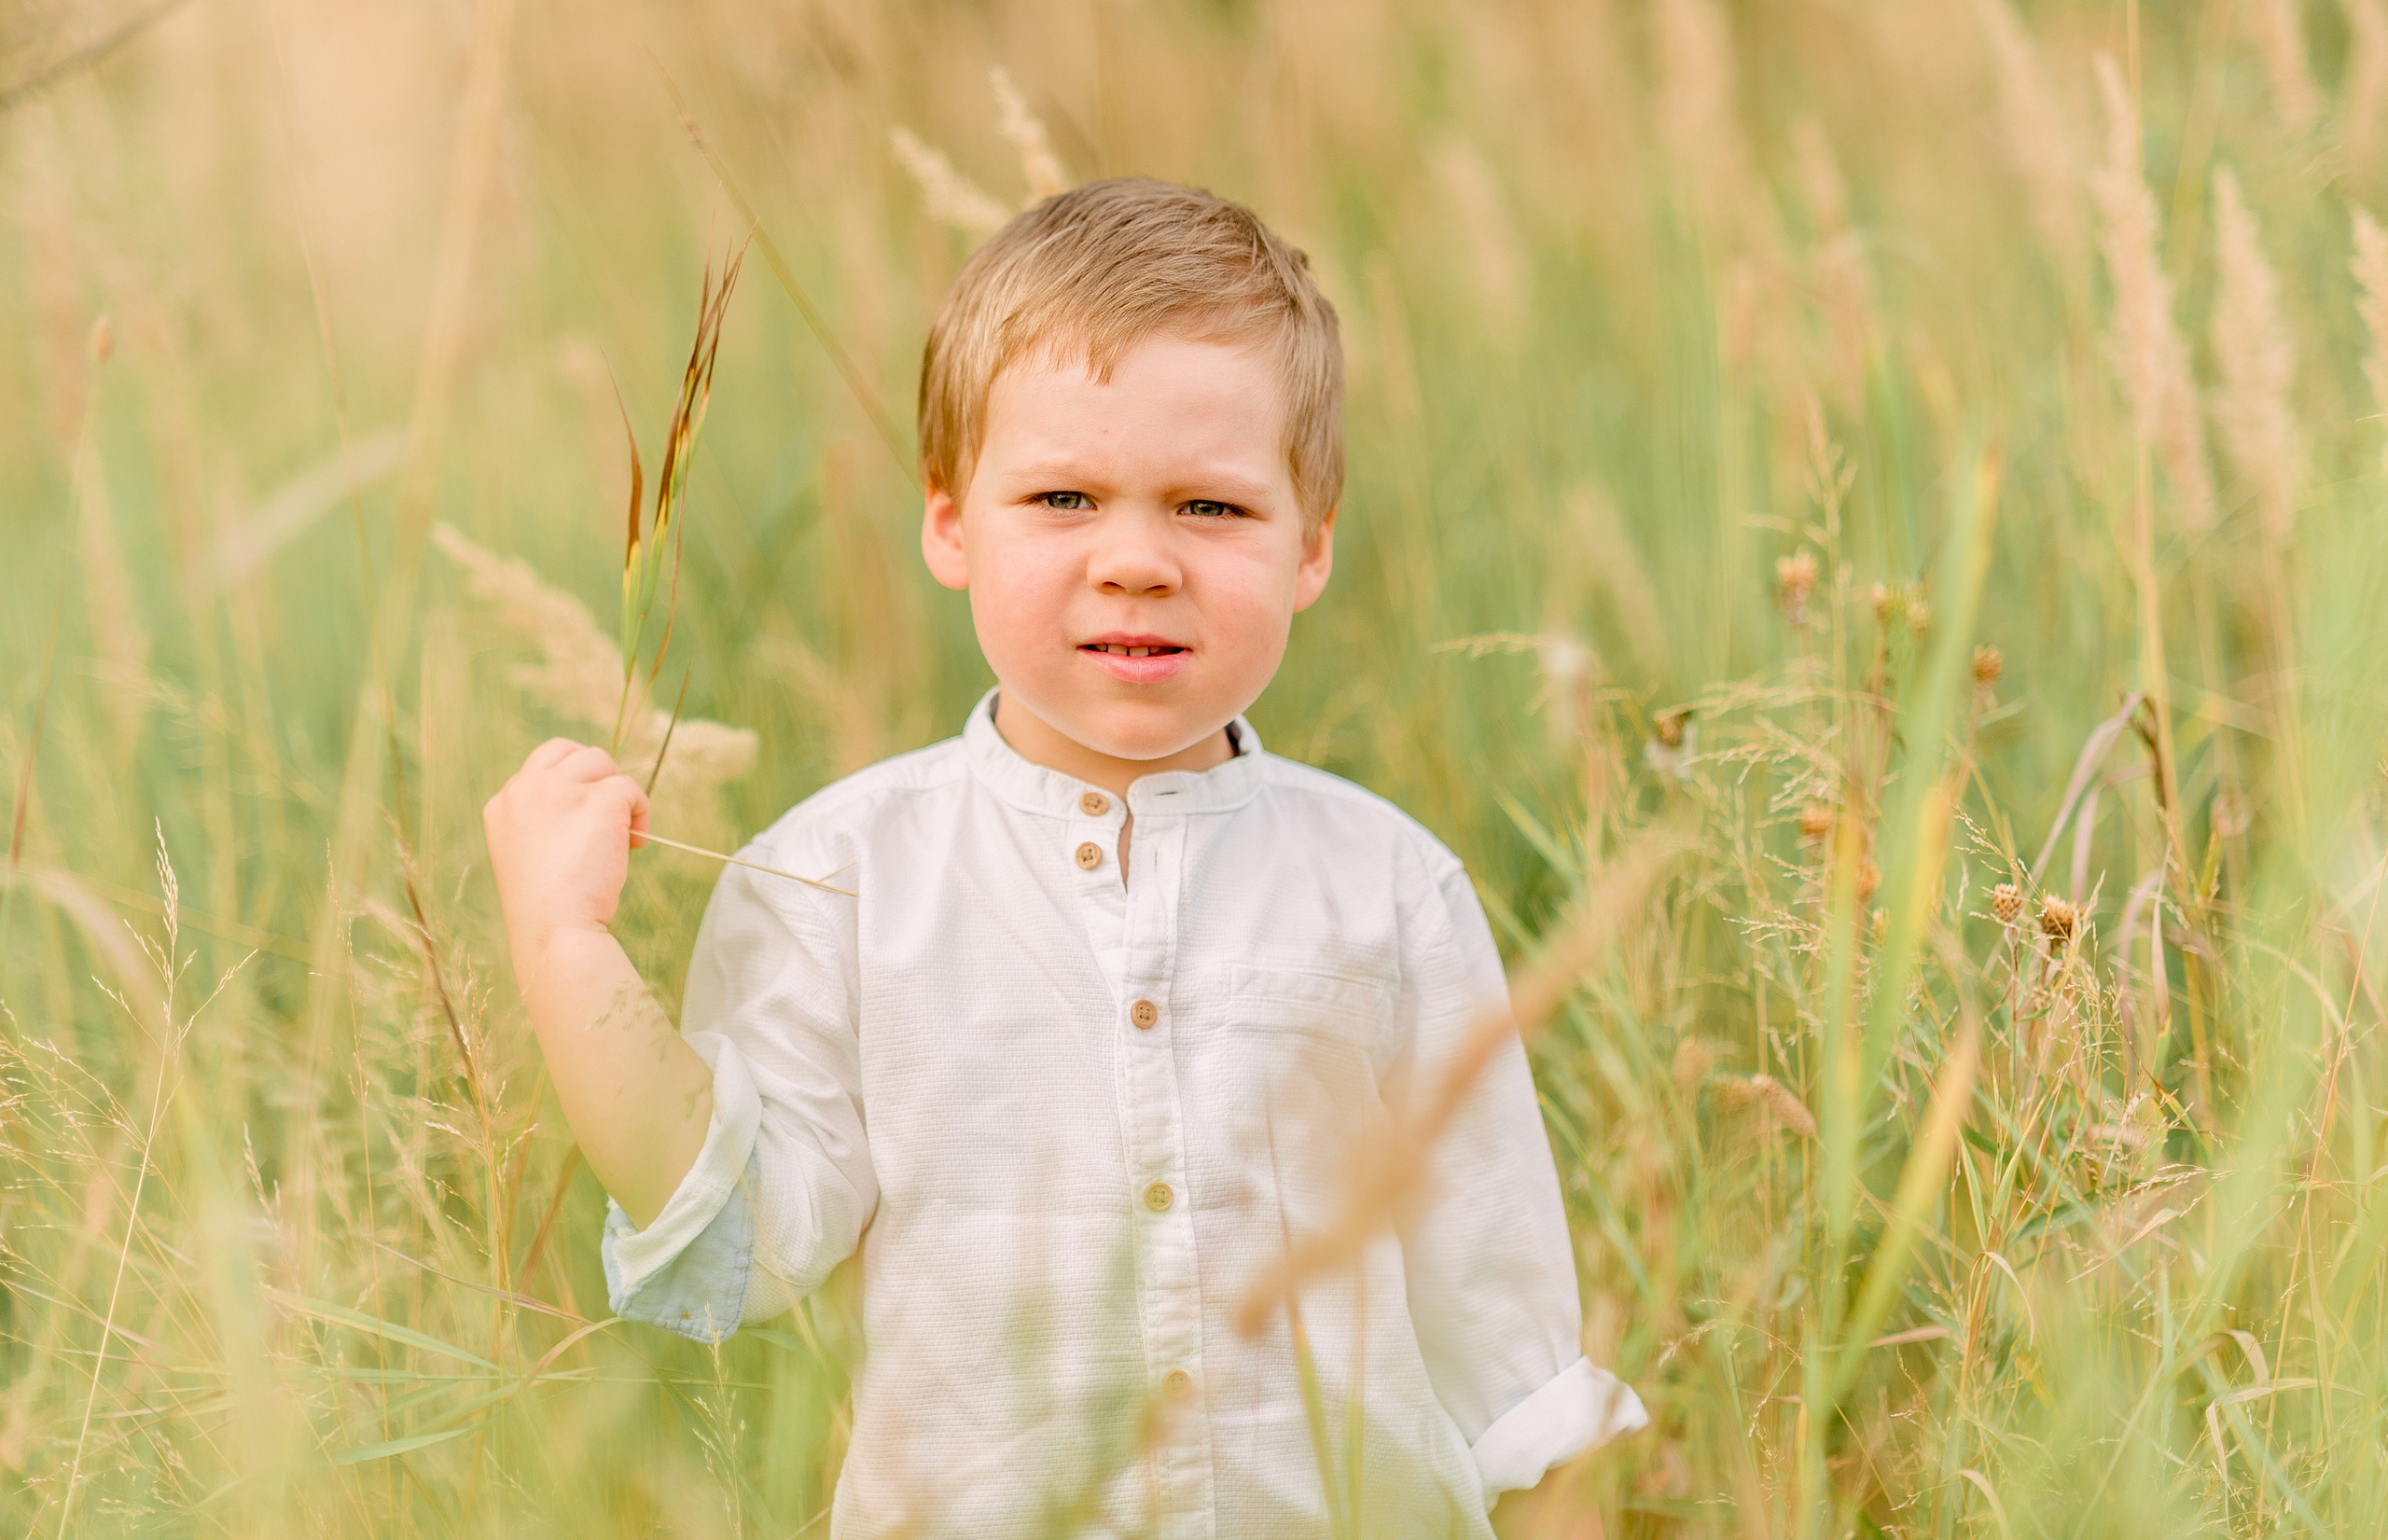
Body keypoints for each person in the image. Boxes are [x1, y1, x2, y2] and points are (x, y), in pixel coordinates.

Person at [482, 176, 1644, 1537]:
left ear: (1312, 544)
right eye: (1064, 496)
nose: (1136, 559)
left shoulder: (1385, 886)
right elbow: (732, 1239)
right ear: (951, 524)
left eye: (1210, 508)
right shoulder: (840, 882)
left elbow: (1496, 1312)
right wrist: (565, 948)